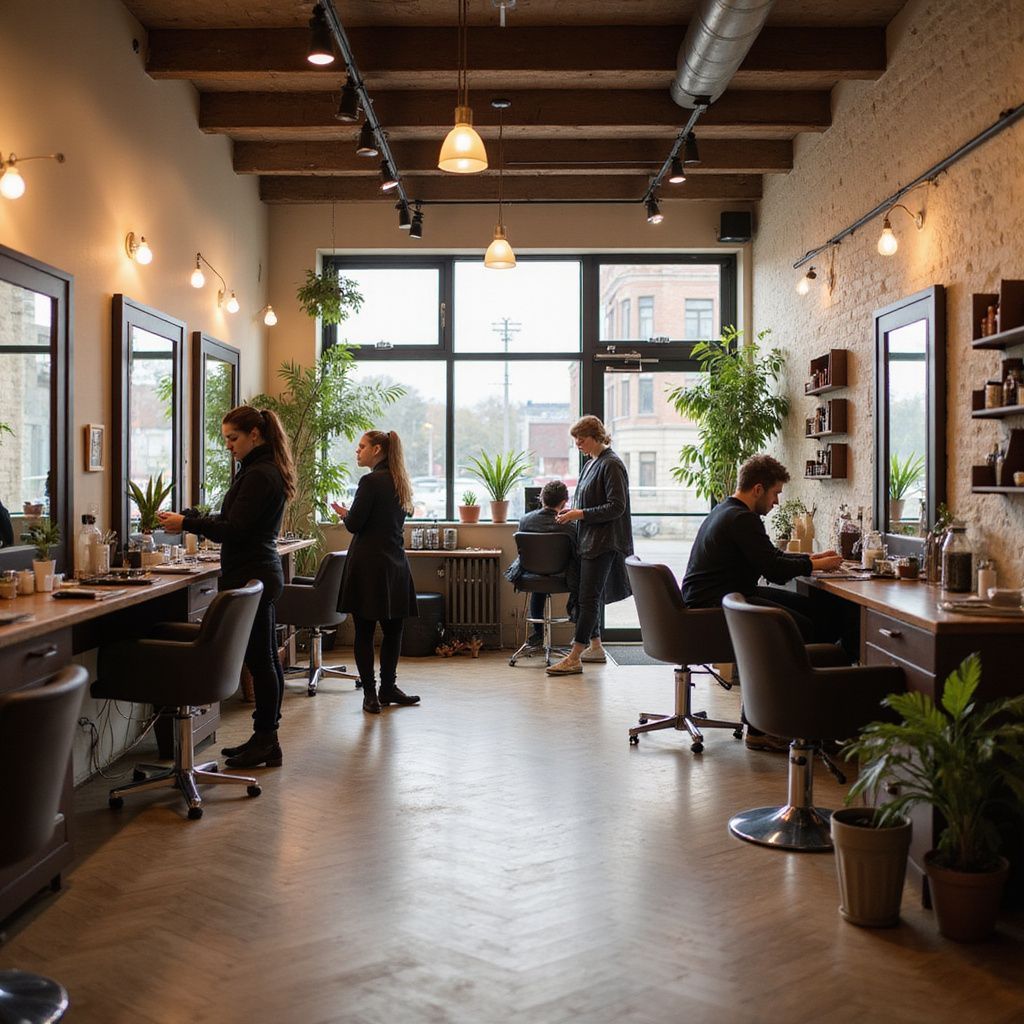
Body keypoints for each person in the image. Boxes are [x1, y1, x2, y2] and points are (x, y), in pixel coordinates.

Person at [681, 454, 850, 751]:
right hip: (714, 610)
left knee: (820, 613)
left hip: (726, 598)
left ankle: (809, 717)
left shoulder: (727, 510)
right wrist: (816, 566)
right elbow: (772, 569)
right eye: (776, 494)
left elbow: (768, 556)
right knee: (805, 630)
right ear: (758, 489)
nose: (776, 503)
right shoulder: (741, 519)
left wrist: (810, 558)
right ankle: (769, 726)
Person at [157, 405, 295, 769]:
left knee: (261, 660)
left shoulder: (259, 475)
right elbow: (234, 521)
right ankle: (267, 738)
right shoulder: (259, 470)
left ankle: (267, 738)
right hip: (259, 571)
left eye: (233, 438)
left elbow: (235, 530)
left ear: (255, 434)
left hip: (254, 572)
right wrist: (194, 519)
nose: (229, 446)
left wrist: (188, 523)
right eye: (226, 440)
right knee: (264, 659)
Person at [330, 430, 419, 714]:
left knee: (365, 631)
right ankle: (388, 687)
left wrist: (345, 513)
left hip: (368, 565)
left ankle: (370, 694)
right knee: (394, 630)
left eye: (362, 446)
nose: (357, 451)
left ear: (377, 449)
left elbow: (356, 524)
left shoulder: (370, 481)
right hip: (394, 562)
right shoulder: (400, 480)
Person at [547, 415, 633, 676]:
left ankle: (574, 656)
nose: (578, 445)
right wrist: (574, 513)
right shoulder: (591, 463)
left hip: (603, 543)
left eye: (581, 440)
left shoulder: (612, 465)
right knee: (588, 597)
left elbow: (616, 507)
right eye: (575, 441)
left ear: (596, 437)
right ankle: (595, 646)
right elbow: (589, 502)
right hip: (589, 541)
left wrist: (579, 515)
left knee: (588, 598)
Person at [505, 480, 579, 653]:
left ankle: (538, 633)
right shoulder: (569, 525)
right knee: (583, 576)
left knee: (540, 579)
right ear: (564, 503)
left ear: (542, 499)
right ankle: (578, 630)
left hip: (532, 578)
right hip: (561, 579)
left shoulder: (525, 521)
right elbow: (577, 553)